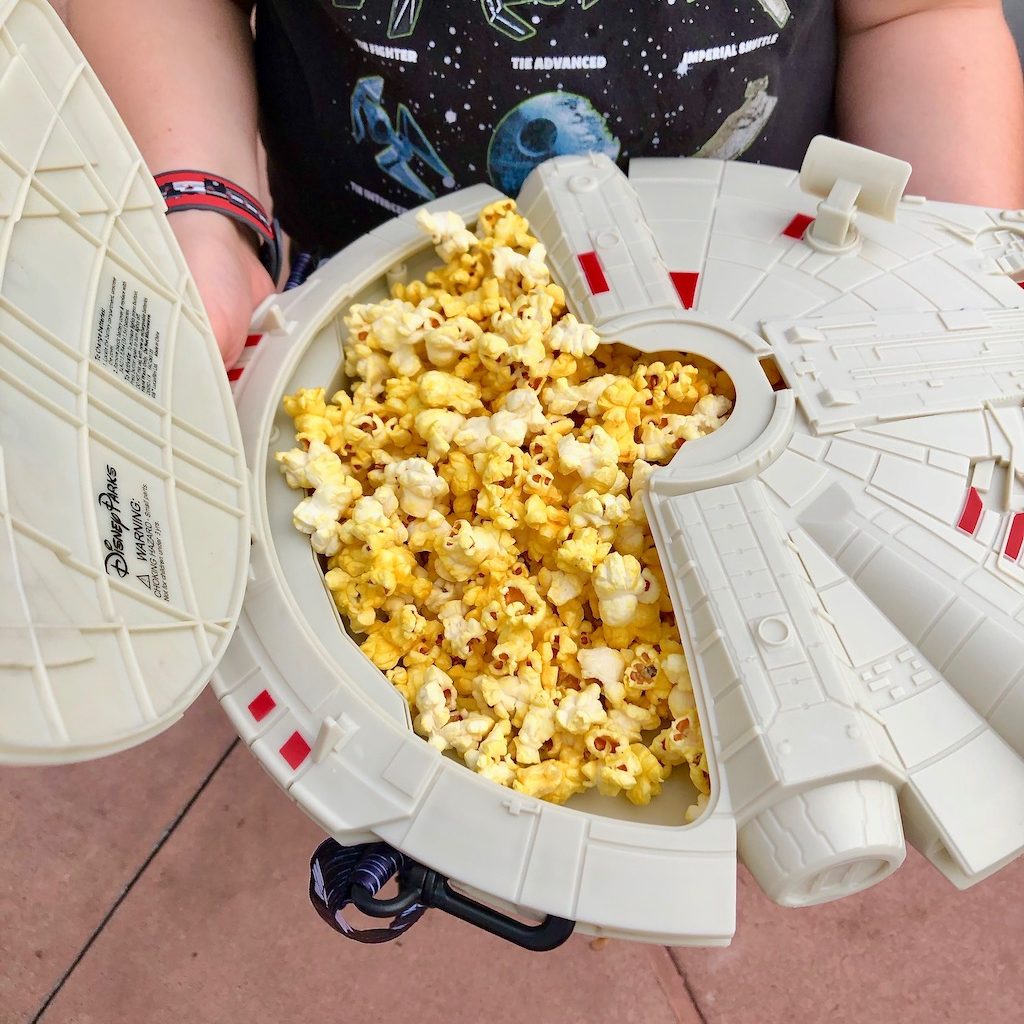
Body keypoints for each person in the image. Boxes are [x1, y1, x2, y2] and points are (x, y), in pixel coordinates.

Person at [66, 1, 1024, 368]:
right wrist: (202, 212)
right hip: (379, 310)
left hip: (774, 304)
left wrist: (961, 282)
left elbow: (919, 17)